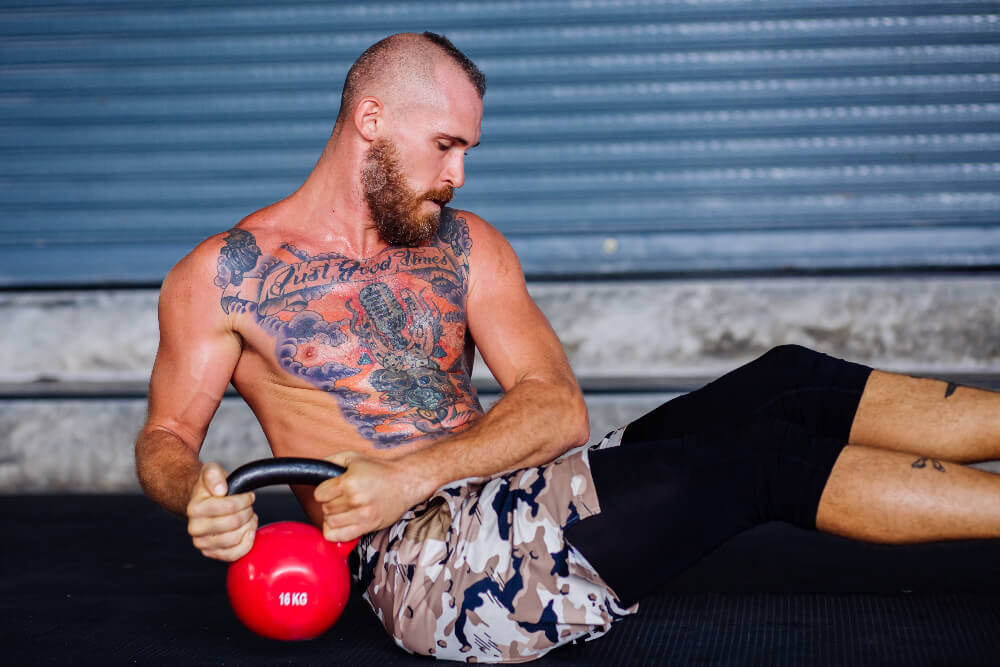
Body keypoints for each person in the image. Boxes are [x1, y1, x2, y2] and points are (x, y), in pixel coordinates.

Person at [134, 32, 1000, 663]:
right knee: (758, 459)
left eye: (467, 150)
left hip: (508, 493)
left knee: (788, 380)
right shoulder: (224, 274)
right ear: (372, 120)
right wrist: (195, 493)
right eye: (445, 146)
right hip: (424, 563)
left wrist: (413, 470)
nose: (458, 175)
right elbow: (166, 436)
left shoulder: (465, 246)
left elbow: (556, 409)